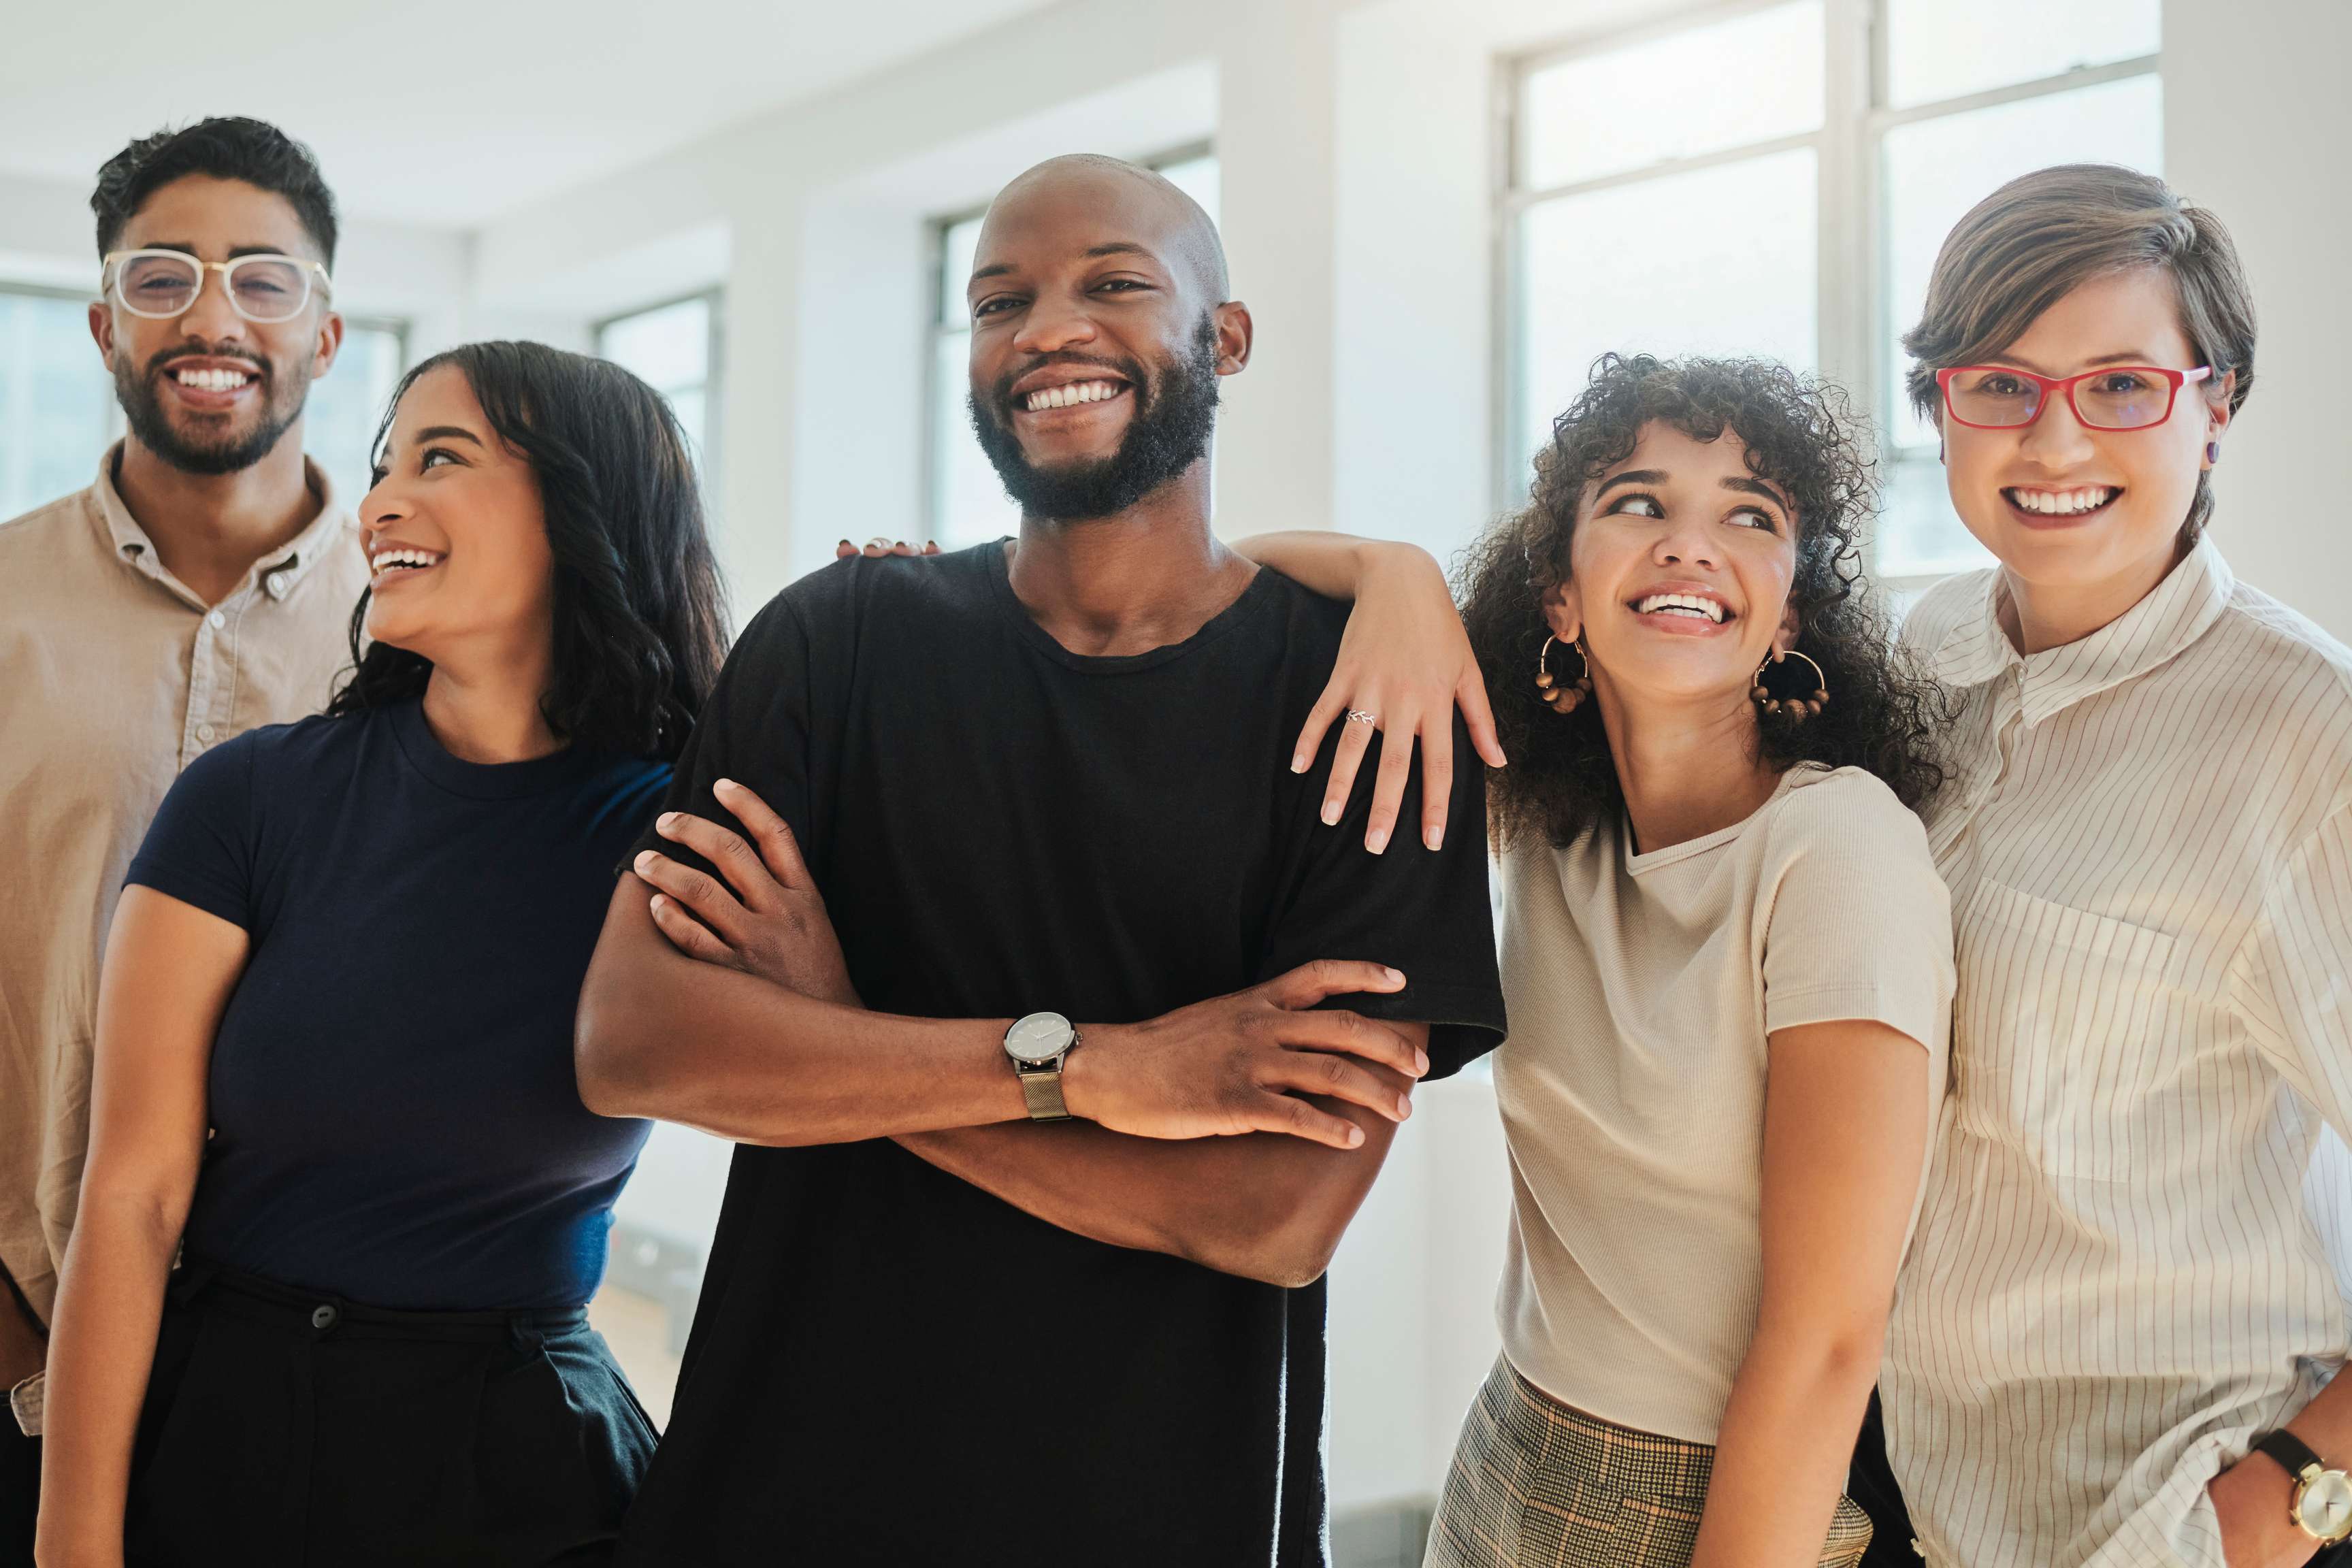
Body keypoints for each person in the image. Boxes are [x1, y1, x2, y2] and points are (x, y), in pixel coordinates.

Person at [572, 154, 1506, 1567]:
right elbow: (634, 1044)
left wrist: (835, 1039)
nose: (1049, 329)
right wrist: (1098, 1070)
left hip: (1163, 1511)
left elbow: (1273, 1214)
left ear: (1225, 339)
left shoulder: (1369, 706)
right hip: (778, 1493)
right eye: (1001, 301)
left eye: (1115, 285)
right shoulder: (836, 638)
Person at [1222, 355, 1953, 1568]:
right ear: (1558, 596)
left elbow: (1831, 1339)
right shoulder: (1553, 821)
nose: (1689, 544)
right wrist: (1395, 573)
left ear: (1792, 615)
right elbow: (1233, 577)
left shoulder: (1835, 847)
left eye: (1750, 516)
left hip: (1729, 1499)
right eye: (1638, 502)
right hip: (1511, 1453)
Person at [33, 341, 727, 1568]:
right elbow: (132, 1197)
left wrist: (883, 623)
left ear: (582, 506)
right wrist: (73, 1541)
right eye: (383, 465)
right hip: (226, 1431)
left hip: (520, 1461)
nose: (380, 502)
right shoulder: (250, 798)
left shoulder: (676, 829)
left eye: (440, 458)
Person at [1872, 164, 2352, 1568]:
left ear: (2217, 406)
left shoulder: (2307, 740)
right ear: (1944, 410)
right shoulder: (1918, 670)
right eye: (2002, 386)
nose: (2055, 438)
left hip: (2166, 1524)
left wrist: (2285, 1505)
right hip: (1902, 1501)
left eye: (2123, 385)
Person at [0, 117, 368, 1561]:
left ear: (327, 333)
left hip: (340, 1342)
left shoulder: (431, 615)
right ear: (102, 324)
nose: (213, 318)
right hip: (27, 1317)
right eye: (163, 279)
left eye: (263, 281)